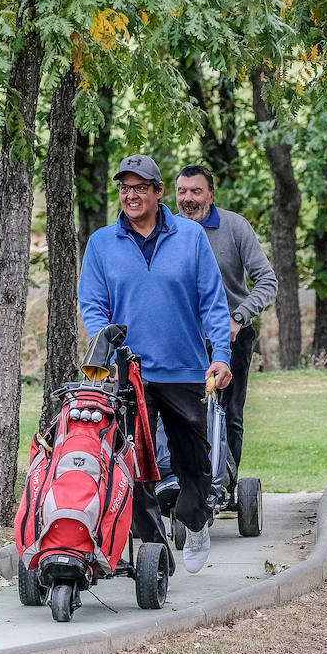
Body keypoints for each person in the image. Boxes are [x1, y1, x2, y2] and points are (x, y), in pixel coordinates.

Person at [77, 154, 232, 574]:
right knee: (134, 465)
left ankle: (195, 519)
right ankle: (154, 552)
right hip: (130, 375)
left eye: (139, 187)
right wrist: (106, 343)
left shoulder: (190, 236)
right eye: (124, 188)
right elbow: (92, 303)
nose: (131, 195)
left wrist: (221, 355)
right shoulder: (102, 243)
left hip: (184, 369)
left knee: (193, 461)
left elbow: (213, 303)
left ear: (157, 192)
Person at [175, 164, 278, 492]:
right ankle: (183, 482)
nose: (188, 199)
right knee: (182, 411)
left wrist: (239, 317)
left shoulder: (235, 227)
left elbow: (267, 280)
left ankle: (225, 486)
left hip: (232, 335)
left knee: (229, 414)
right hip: (183, 339)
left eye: (196, 191)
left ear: (211, 194)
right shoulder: (168, 231)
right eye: (182, 191)